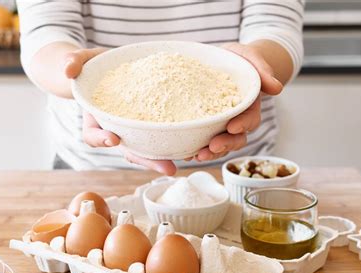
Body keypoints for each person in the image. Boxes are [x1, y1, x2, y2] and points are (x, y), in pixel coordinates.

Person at [17, 0, 303, 176]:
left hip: (236, 169)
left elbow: (276, 26)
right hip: (93, 170)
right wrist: (81, 74)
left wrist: (251, 69)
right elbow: (45, 34)